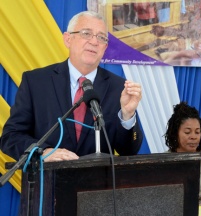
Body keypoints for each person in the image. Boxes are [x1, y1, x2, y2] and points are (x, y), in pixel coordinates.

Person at [0, 11, 143, 162]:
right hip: (48, 182)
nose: (94, 42)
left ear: (105, 47)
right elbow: (11, 137)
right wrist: (42, 152)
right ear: (68, 39)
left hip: (99, 183)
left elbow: (129, 151)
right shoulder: (36, 81)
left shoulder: (118, 87)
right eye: (86, 33)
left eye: (101, 37)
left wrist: (127, 115)